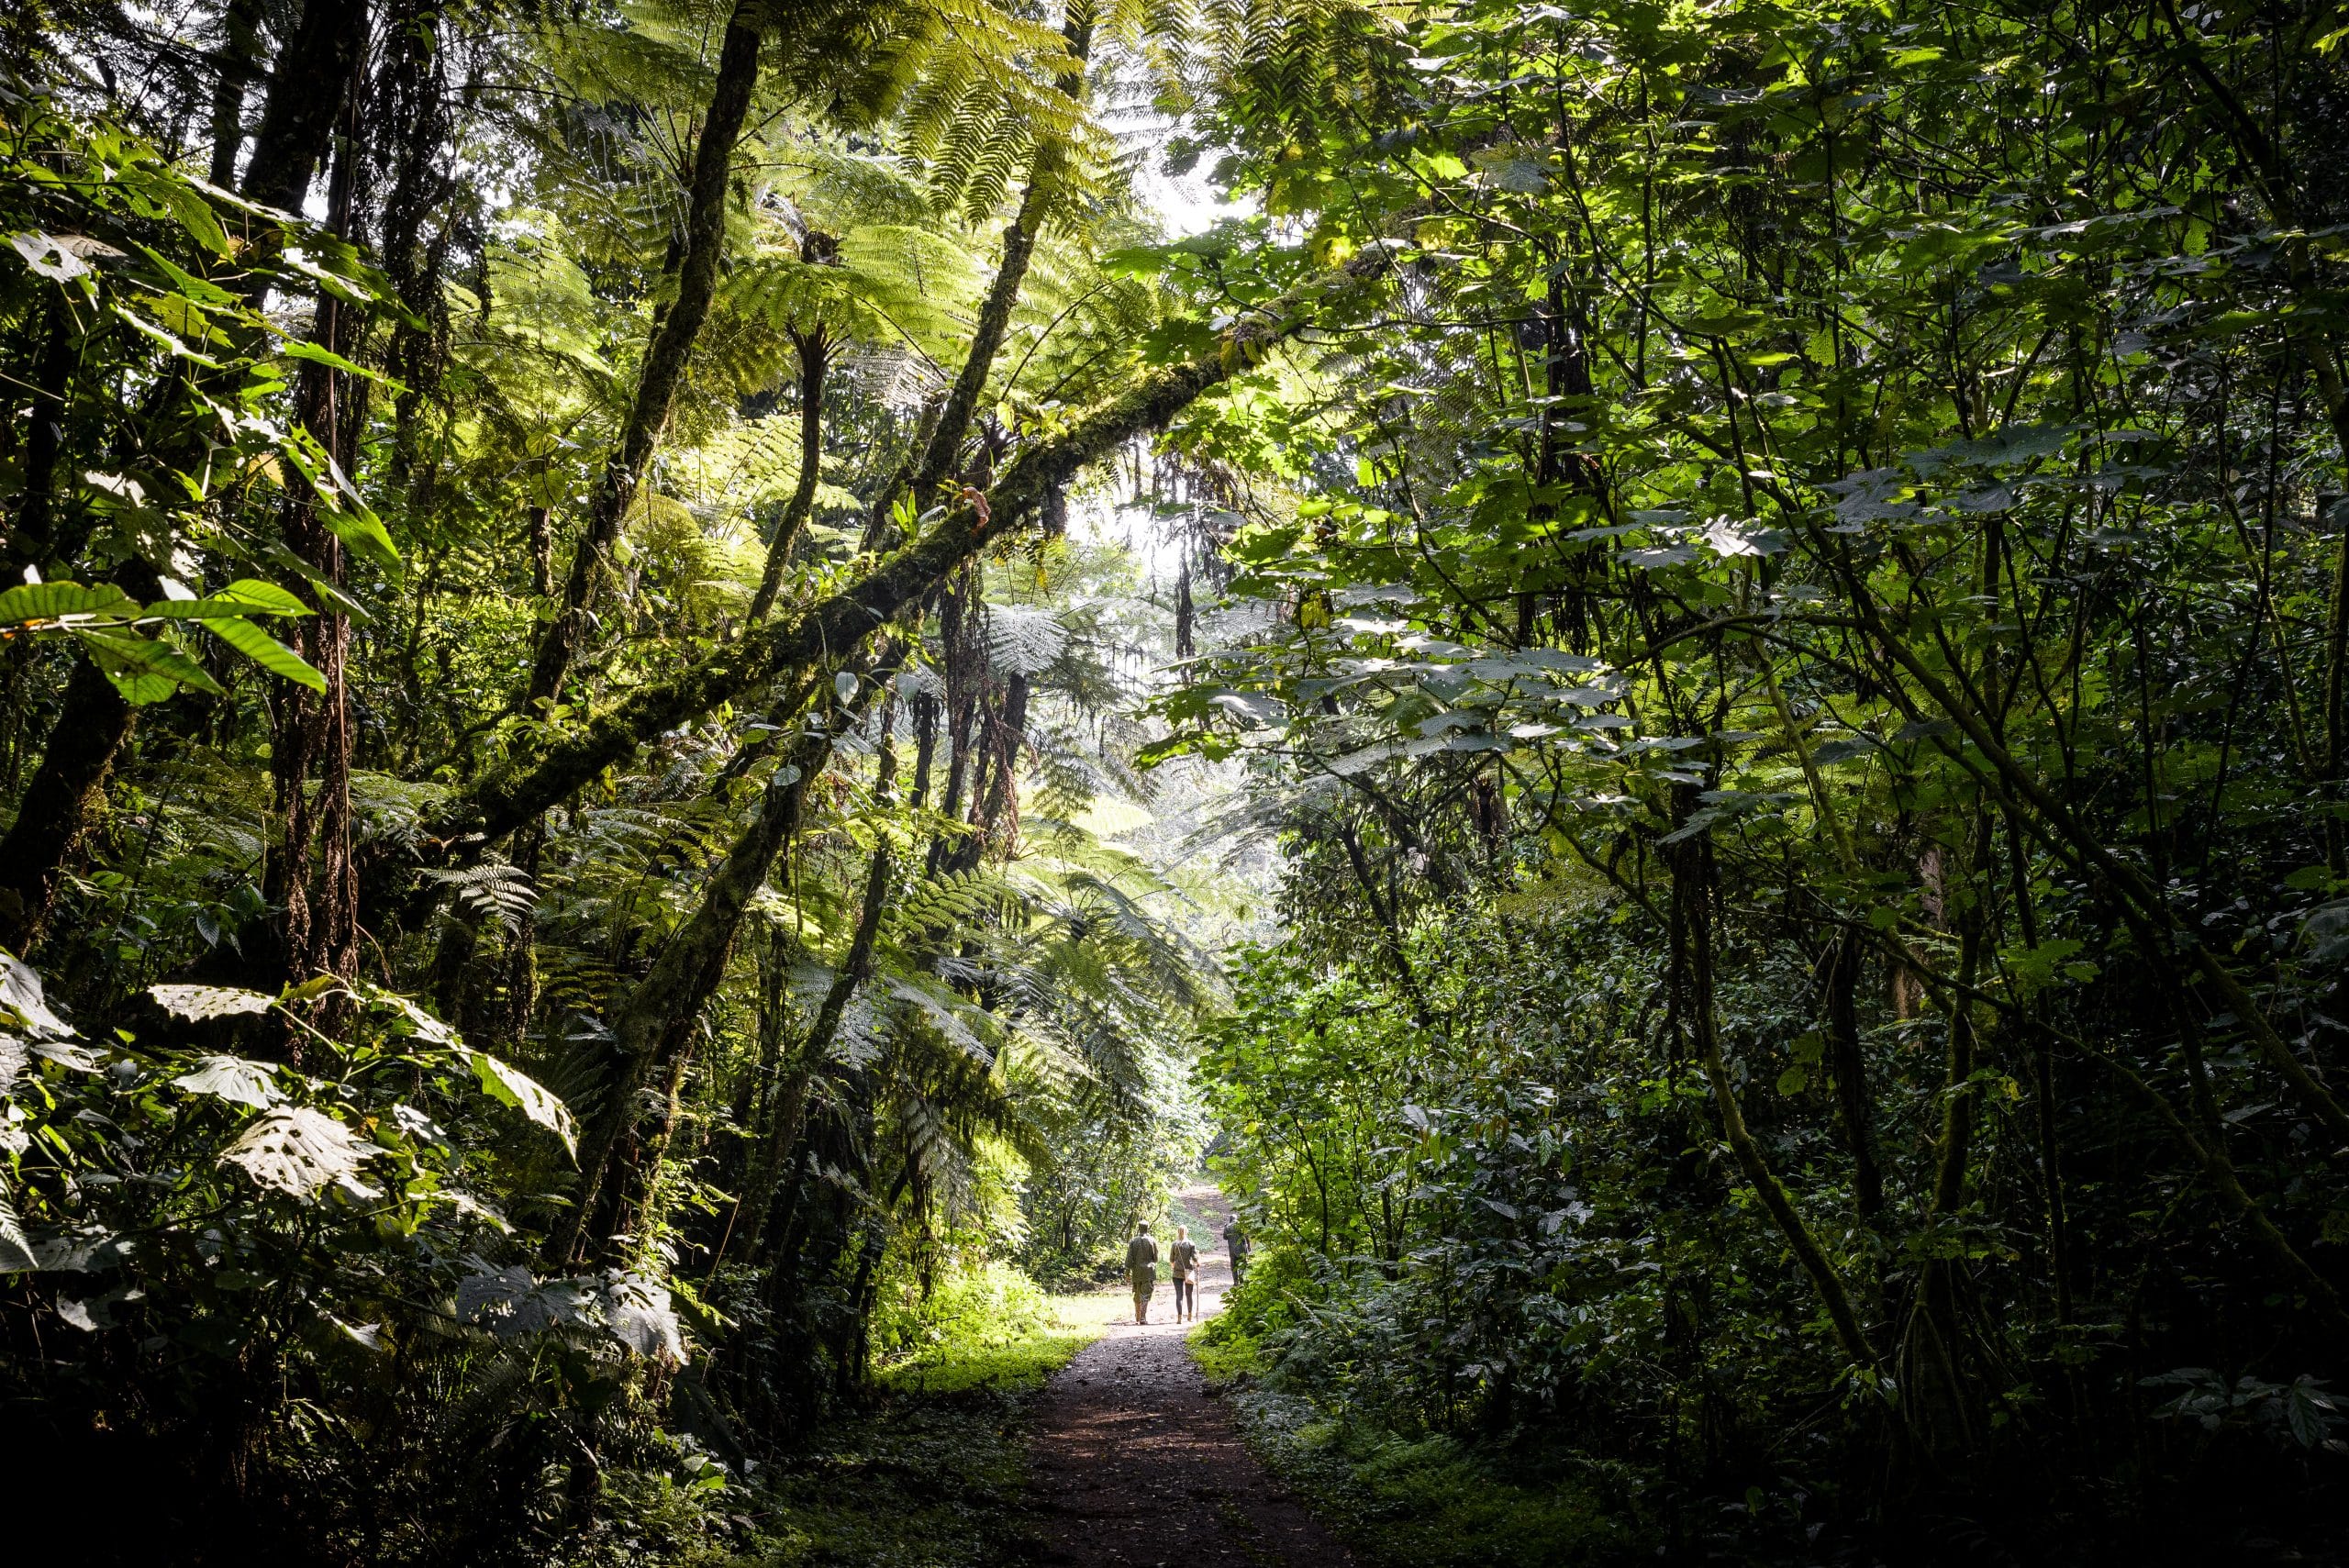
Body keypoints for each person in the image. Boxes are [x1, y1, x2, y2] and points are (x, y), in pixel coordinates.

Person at [1125, 1221, 1159, 1325]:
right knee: (1146, 1294)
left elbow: (1129, 1259)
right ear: (1147, 1228)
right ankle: (1142, 1317)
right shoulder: (1152, 1241)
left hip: (1136, 1272)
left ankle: (1138, 1316)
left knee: (1137, 1294)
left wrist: (1127, 1272)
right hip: (1148, 1272)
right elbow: (1156, 1258)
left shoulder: (1133, 1241)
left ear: (1139, 1228)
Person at [1169, 1226, 1199, 1322]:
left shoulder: (1174, 1244)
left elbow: (1171, 1260)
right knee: (1189, 1294)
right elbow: (1194, 1259)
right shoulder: (1191, 1244)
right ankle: (1190, 1316)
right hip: (1188, 1272)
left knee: (1179, 1295)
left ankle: (1179, 1317)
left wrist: (1175, 1267)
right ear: (1187, 1232)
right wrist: (1198, 1263)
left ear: (1178, 1232)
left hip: (1177, 1273)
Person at [1221, 1217, 1248, 1286]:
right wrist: (1248, 1246)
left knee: (1233, 1266)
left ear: (1230, 1219)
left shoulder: (1228, 1226)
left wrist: (1225, 1228)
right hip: (1241, 1249)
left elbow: (1225, 1237)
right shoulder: (1240, 1225)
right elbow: (1246, 1236)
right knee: (1243, 1263)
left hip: (1232, 1250)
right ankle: (1241, 1279)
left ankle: (1236, 1281)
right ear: (1236, 1219)